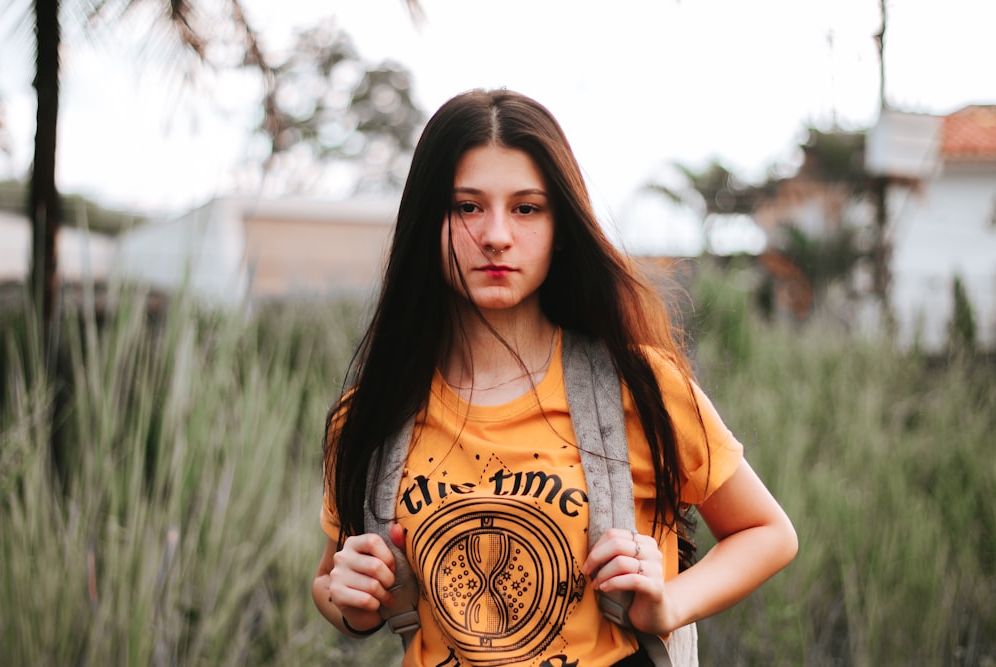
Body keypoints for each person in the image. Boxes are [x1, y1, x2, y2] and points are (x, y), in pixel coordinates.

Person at [312, 88, 798, 667]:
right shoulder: (371, 415)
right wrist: (351, 603)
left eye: (527, 208)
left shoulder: (639, 387)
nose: (496, 235)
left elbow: (767, 532)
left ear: (560, 226)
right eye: (467, 206)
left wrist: (668, 603)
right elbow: (332, 579)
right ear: (427, 223)